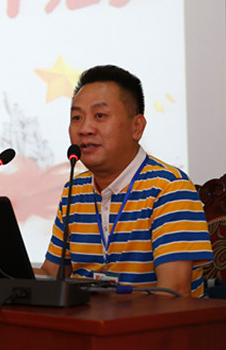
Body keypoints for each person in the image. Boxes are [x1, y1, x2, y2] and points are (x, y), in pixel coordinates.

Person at [39, 65, 213, 297]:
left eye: (100, 116)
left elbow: (173, 294)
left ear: (136, 127)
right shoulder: (75, 190)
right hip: (87, 319)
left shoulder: (170, 189)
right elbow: (51, 275)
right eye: (76, 118)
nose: (85, 129)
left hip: (150, 320)